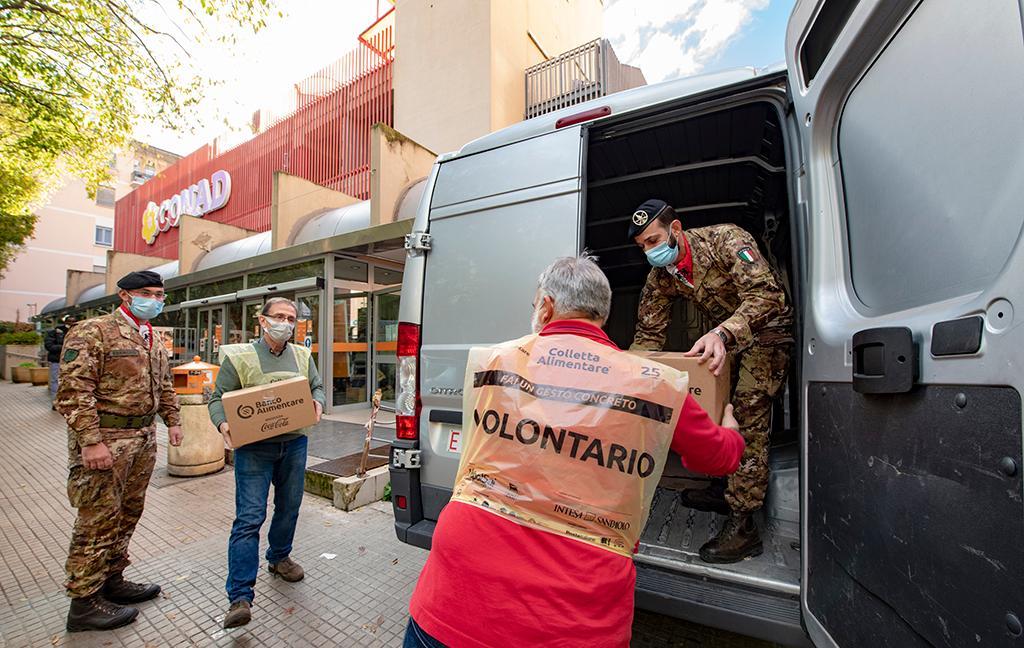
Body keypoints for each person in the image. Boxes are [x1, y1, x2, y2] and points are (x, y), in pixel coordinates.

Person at [404, 255, 745, 647]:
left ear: (546, 306)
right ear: (602, 313)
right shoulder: (652, 384)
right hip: (573, 619)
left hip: (451, 603)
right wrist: (731, 433)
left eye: (535, 305)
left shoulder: (496, 361)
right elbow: (717, 457)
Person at [628, 198, 794, 564]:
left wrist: (722, 332)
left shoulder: (725, 240)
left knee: (747, 416)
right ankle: (723, 486)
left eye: (653, 241)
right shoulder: (662, 275)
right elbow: (648, 334)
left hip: (767, 335)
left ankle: (743, 523)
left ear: (676, 229)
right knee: (717, 410)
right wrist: (630, 375)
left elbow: (767, 295)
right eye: (642, 246)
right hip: (727, 342)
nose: (649, 252)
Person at [56, 270, 183, 632]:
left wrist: (172, 420)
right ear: (125, 296)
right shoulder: (93, 331)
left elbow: (165, 383)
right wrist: (91, 441)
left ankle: (112, 581)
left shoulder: (152, 337)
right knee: (97, 519)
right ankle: (83, 603)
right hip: (106, 441)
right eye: (147, 293)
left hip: (142, 439)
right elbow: (73, 391)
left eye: (160, 294)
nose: (155, 300)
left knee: (128, 513)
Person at [208, 297, 326, 629]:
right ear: (263, 321)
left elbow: (316, 386)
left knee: (289, 507)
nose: (286, 323)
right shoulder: (240, 356)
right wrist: (223, 423)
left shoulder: (302, 355)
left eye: (291, 318)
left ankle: (279, 557)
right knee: (249, 518)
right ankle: (240, 597)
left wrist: (317, 401)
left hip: (294, 445)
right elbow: (218, 398)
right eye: (279, 317)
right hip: (254, 450)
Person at [45, 314, 77, 409]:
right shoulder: (55, 332)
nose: (71, 323)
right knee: (56, 381)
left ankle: (69, 402)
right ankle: (56, 402)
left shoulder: (79, 332)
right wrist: (66, 346)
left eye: (73, 321)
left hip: (74, 362)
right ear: (65, 322)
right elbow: (49, 346)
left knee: (72, 381)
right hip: (57, 361)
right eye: (69, 321)